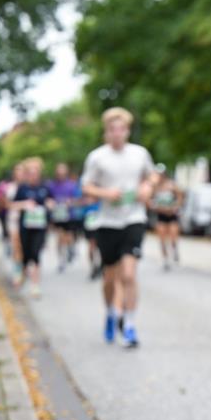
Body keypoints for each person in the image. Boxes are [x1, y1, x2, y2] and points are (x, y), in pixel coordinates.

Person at [80, 107, 158, 348]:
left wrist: (147, 187)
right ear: (107, 132)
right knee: (110, 279)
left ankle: (130, 324)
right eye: (112, 129)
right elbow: (86, 187)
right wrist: (106, 193)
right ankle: (111, 313)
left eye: (121, 129)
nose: (116, 133)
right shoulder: (97, 157)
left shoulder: (139, 153)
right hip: (107, 222)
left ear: (127, 131)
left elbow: (152, 176)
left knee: (129, 274)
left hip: (134, 218)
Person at [10, 158, 54, 298]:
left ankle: (35, 285)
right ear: (27, 174)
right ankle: (21, 276)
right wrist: (24, 204)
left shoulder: (45, 187)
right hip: (25, 226)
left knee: (35, 254)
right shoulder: (22, 188)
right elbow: (12, 205)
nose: (34, 175)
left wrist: (49, 205)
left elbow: (51, 202)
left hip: (40, 227)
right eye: (31, 172)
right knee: (25, 254)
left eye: (36, 172)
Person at [150, 165, 184, 271]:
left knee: (173, 237)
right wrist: (155, 206)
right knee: (162, 239)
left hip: (172, 215)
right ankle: (165, 258)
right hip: (161, 215)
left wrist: (176, 206)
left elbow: (180, 197)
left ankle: (174, 251)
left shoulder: (171, 185)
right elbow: (150, 200)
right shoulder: (155, 187)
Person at [48, 162, 79, 272]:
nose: (60, 174)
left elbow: (77, 199)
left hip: (69, 215)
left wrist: (70, 202)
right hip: (57, 215)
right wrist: (51, 203)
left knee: (69, 236)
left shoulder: (71, 185)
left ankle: (71, 248)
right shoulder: (51, 185)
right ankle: (61, 259)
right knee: (60, 237)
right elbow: (48, 198)